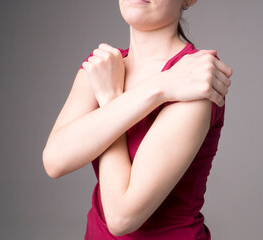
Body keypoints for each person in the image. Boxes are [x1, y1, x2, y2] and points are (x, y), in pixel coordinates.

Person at [42, 0, 232, 239]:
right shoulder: (104, 67)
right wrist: (162, 85)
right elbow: (54, 160)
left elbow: (122, 217)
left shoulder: (196, 79)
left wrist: (110, 99)